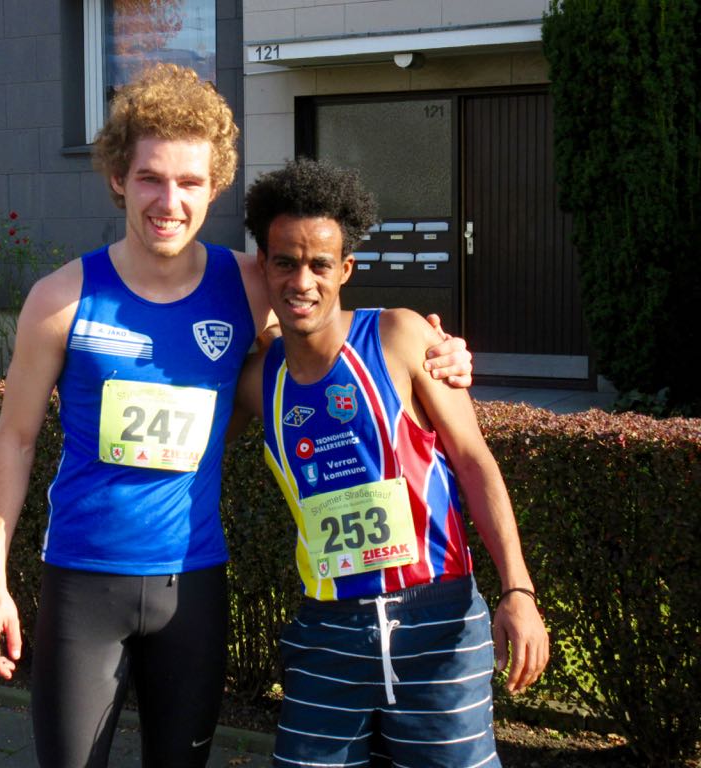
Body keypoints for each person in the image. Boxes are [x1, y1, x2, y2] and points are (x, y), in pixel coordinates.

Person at [0, 65, 473, 768]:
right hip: (82, 583)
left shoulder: (249, 283)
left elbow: (331, 331)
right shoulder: (60, 300)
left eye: (189, 182)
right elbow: (14, 440)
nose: (168, 201)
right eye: (150, 178)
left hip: (194, 584)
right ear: (118, 177)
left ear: (215, 187)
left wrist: (436, 348)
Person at [235, 158, 549, 768]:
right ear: (262, 268)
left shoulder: (399, 337)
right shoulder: (256, 381)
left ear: (346, 269)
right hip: (328, 631)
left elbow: (474, 461)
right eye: (285, 263)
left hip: (439, 622)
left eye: (320, 264)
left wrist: (518, 589)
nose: (303, 280)